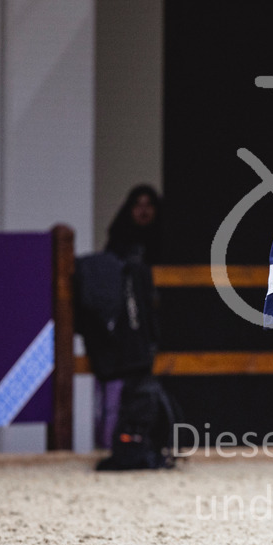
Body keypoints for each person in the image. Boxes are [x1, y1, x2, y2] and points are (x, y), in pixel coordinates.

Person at [94, 185, 162, 449]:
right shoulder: (119, 241)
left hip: (162, 326)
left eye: (149, 205)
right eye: (138, 204)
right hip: (124, 332)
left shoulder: (166, 240)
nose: (144, 211)